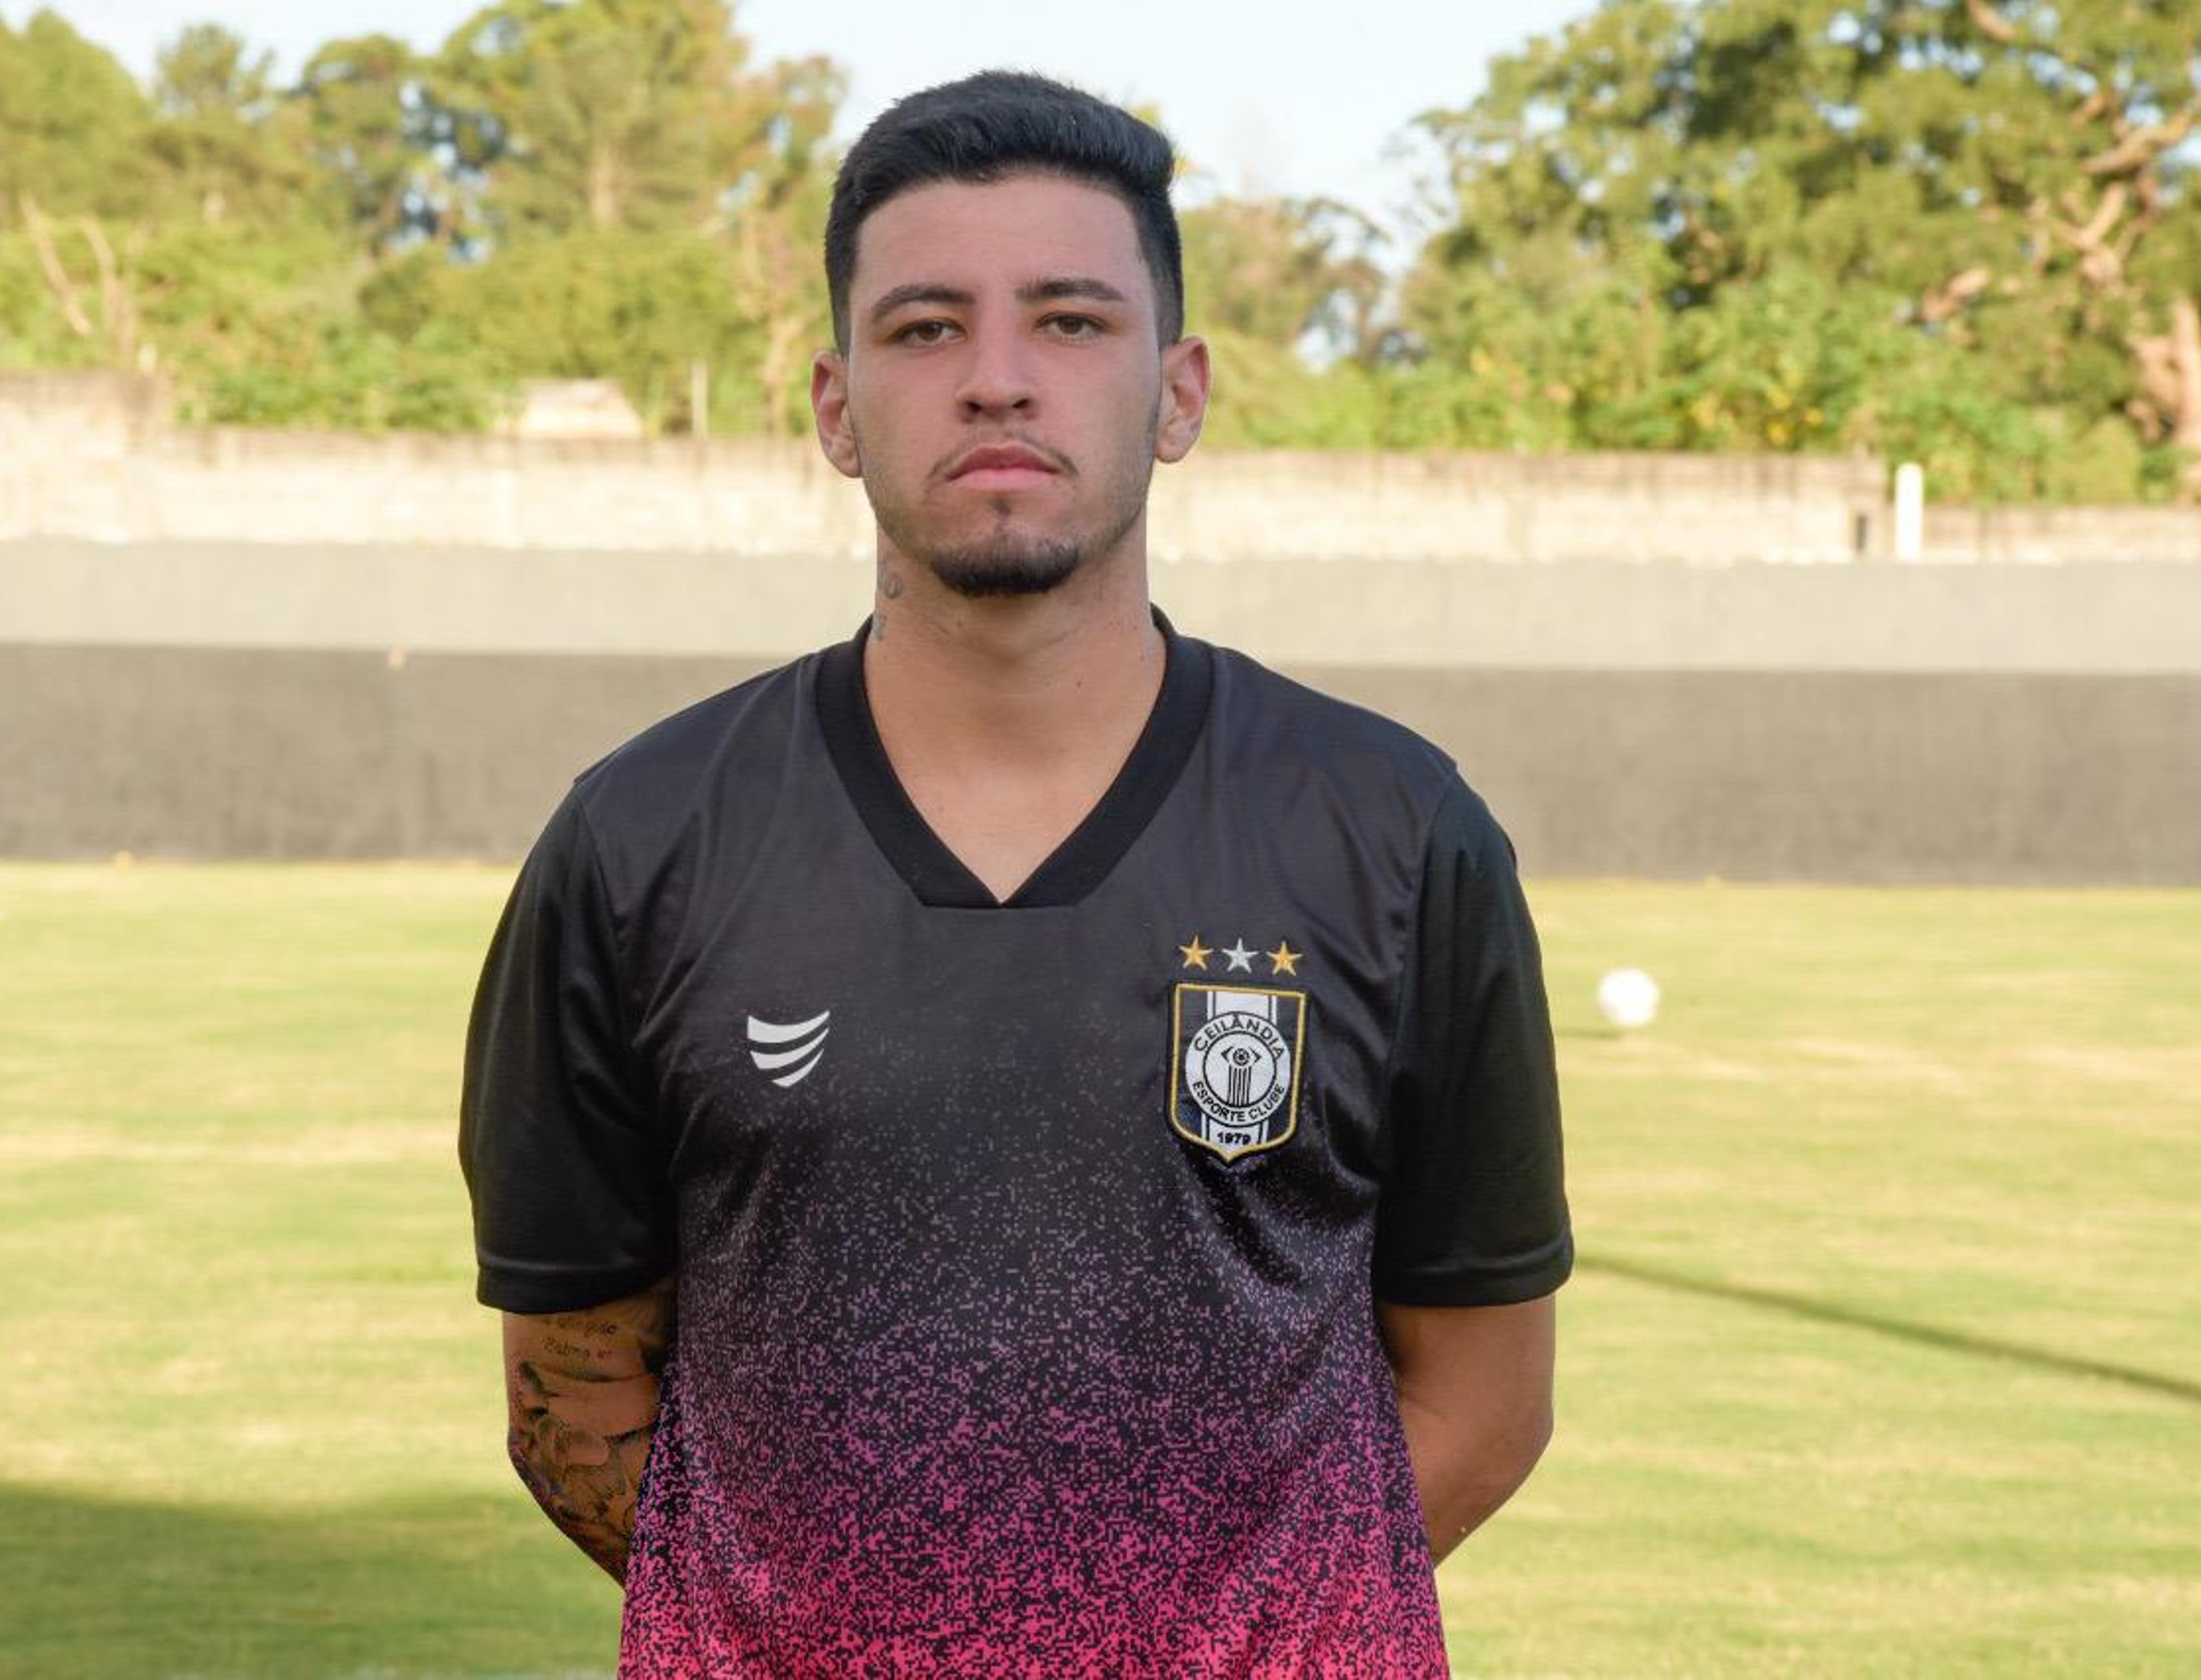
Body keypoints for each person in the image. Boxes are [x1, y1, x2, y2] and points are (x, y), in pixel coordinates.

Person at [460, 70, 1571, 1677]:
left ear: (1178, 392)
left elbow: (1484, 1393)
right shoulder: (639, 841)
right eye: (923, 329)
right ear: (838, 411)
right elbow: (573, 1392)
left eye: (1070, 322)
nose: (996, 381)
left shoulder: (1395, 830)